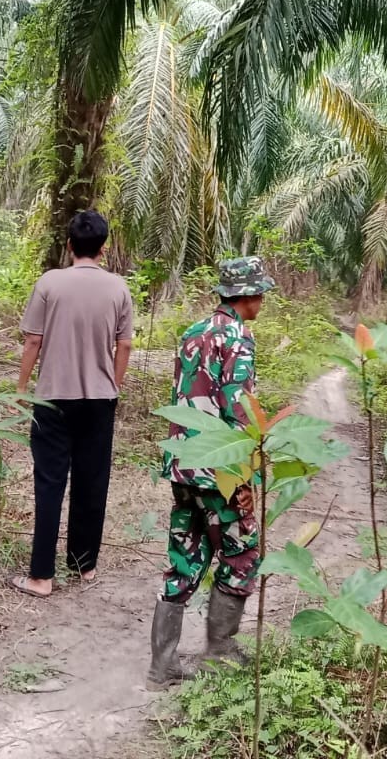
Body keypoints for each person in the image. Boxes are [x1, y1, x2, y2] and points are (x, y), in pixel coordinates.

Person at [147, 256, 278, 689]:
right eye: (260, 292)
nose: (262, 300)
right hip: (219, 470)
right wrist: (245, 480)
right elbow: (237, 409)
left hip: (183, 464)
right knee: (241, 556)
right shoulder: (238, 338)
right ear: (248, 295)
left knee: (184, 557)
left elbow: (184, 399)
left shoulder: (193, 332)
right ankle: (220, 651)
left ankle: (162, 665)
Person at [12, 209, 134, 598]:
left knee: (50, 482)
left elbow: (33, 340)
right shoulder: (118, 288)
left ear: (68, 244)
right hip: (100, 399)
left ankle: (41, 576)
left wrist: (21, 387)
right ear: (104, 248)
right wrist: (112, 384)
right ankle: (84, 565)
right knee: (92, 481)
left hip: (52, 398)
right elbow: (125, 344)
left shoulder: (49, 283)